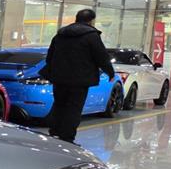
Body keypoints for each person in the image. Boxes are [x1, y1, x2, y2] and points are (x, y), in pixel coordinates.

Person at [42, 8, 116, 143]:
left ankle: (54, 132)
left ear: (77, 18)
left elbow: (49, 57)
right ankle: (67, 137)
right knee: (74, 108)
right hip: (79, 80)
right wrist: (110, 72)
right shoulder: (92, 36)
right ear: (91, 21)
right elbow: (101, 57)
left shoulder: (60, 35)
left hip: (59, 78)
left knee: (59, 105)